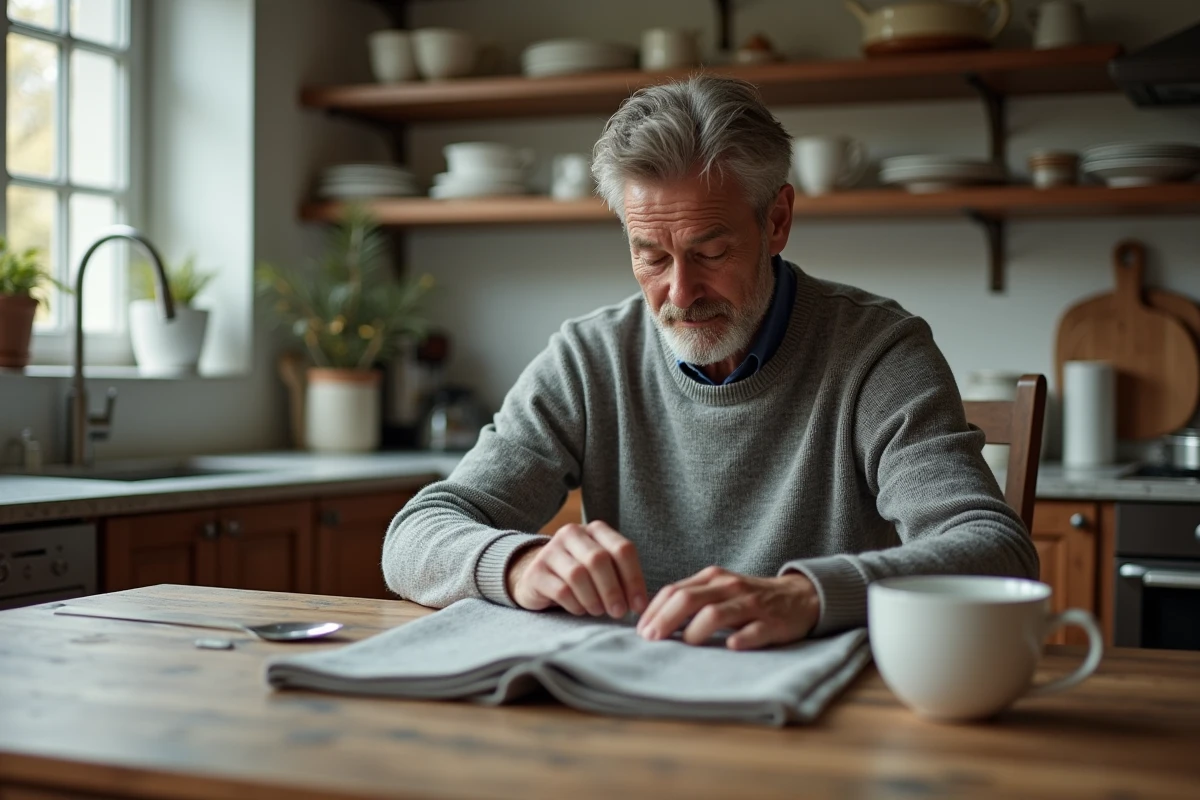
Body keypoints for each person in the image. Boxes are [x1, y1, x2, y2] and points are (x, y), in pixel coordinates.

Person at [384, 75, 1038, 650]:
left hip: (831, 711)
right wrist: (520, 564)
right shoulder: (590, 358)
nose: (680, 293)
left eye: (711, 252)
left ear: (777, 221)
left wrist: (806, 595)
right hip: (637, 696)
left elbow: (997, 550)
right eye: (651, 255)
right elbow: (414, 535)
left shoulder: (878, 353)